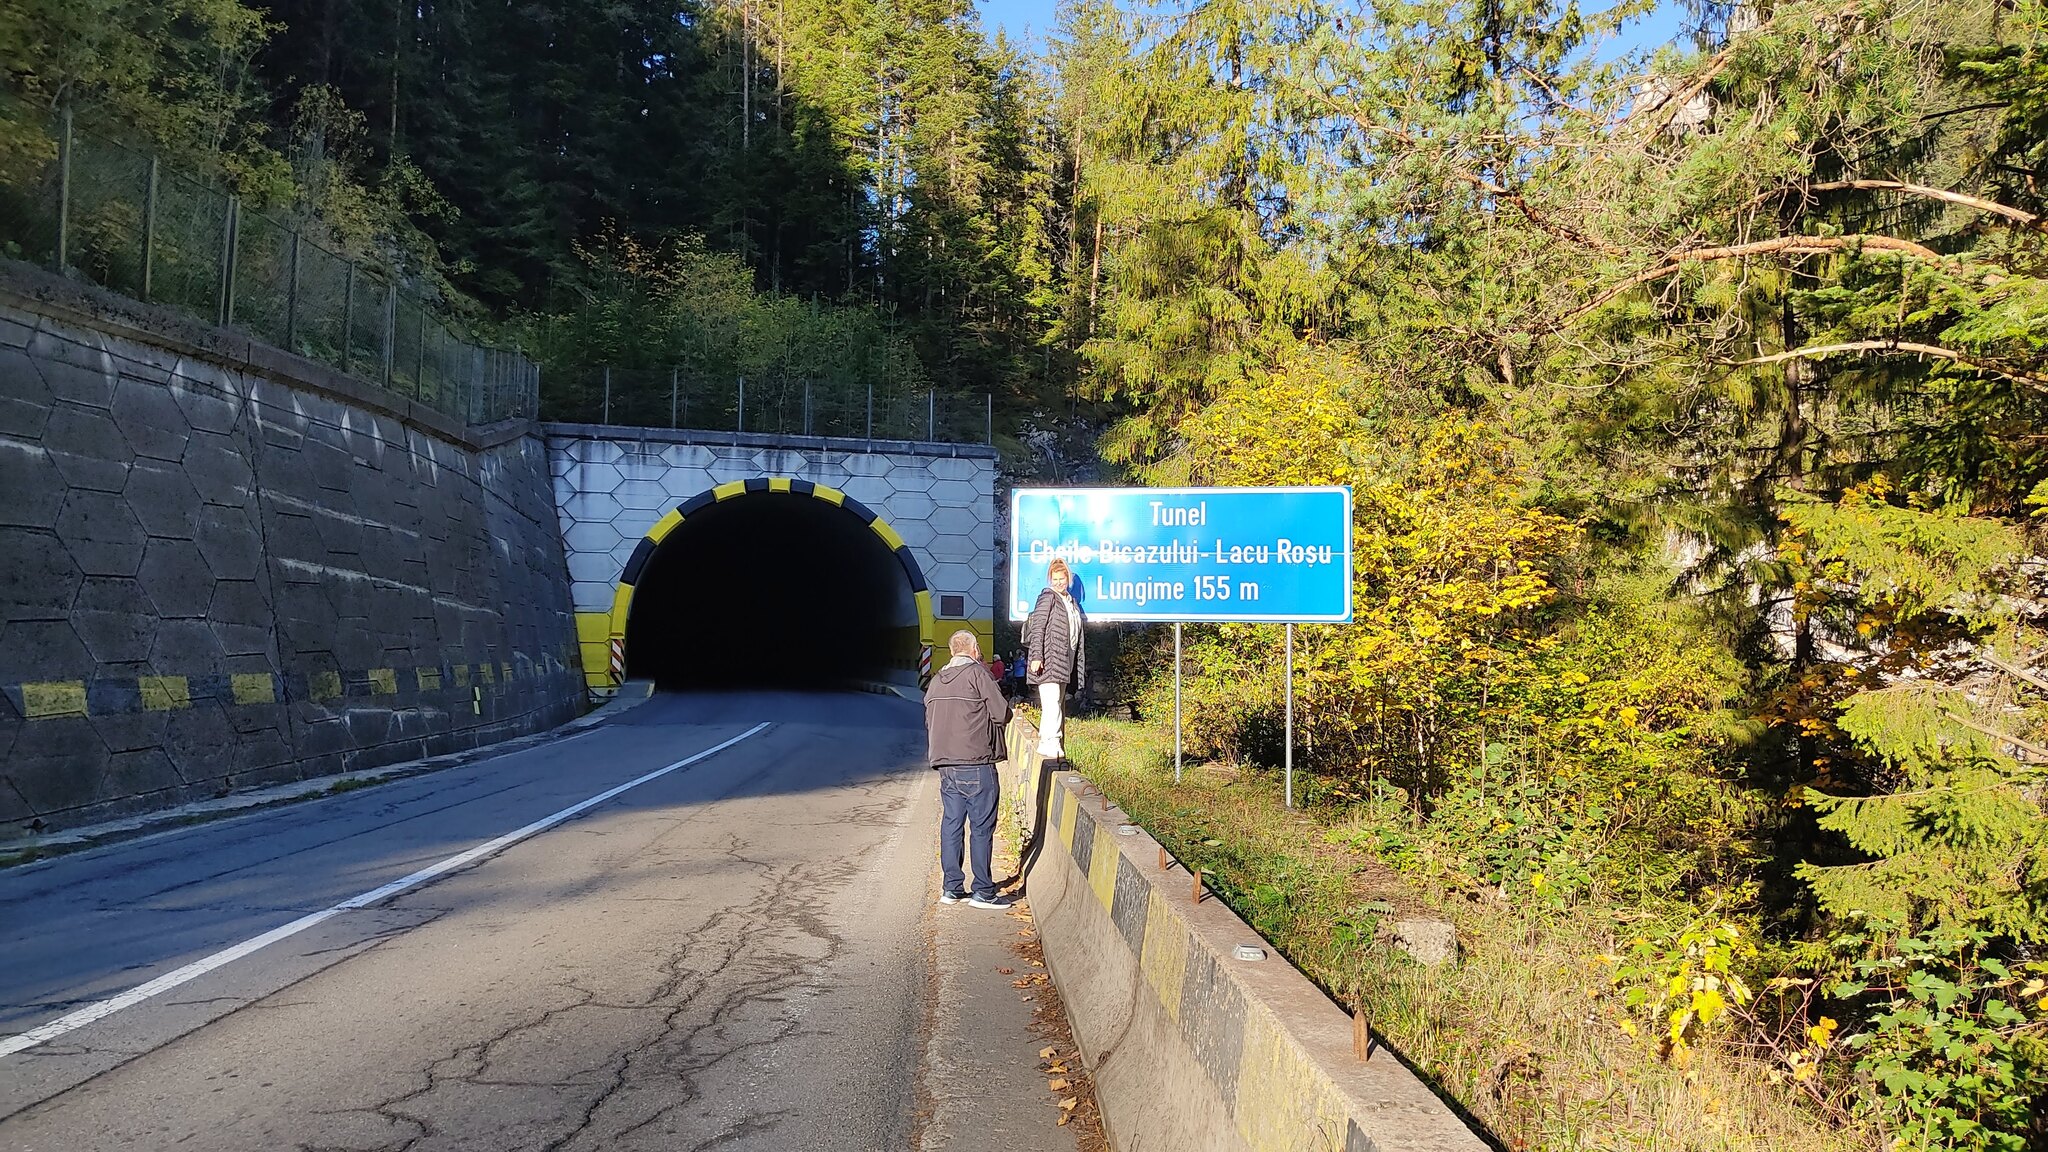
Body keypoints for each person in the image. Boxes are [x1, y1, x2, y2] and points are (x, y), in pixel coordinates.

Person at [924, 629, 1013, 909]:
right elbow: (1001, 713)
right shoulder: (978, 675)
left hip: (945, 764)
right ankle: (983, 892)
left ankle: (951, 889)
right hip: (976, 761)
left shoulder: (936, 681)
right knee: (981, 828)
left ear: (952, 651)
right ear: (974, 650)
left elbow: (928, 718)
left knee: (951, 824)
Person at [1024, 557, 1085, 759]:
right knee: (1051, 703)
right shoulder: (1047, 597)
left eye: (1062, 578)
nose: (1059, 582)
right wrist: (1036, 656)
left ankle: (1049, 741)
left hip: (1063, 660)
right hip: (1049, 659)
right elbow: (1038, 627)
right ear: (1050, 579)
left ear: (1068, 578)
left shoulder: (1071, 602)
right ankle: (1050, 743)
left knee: (1056, 702)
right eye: (1055, 578)